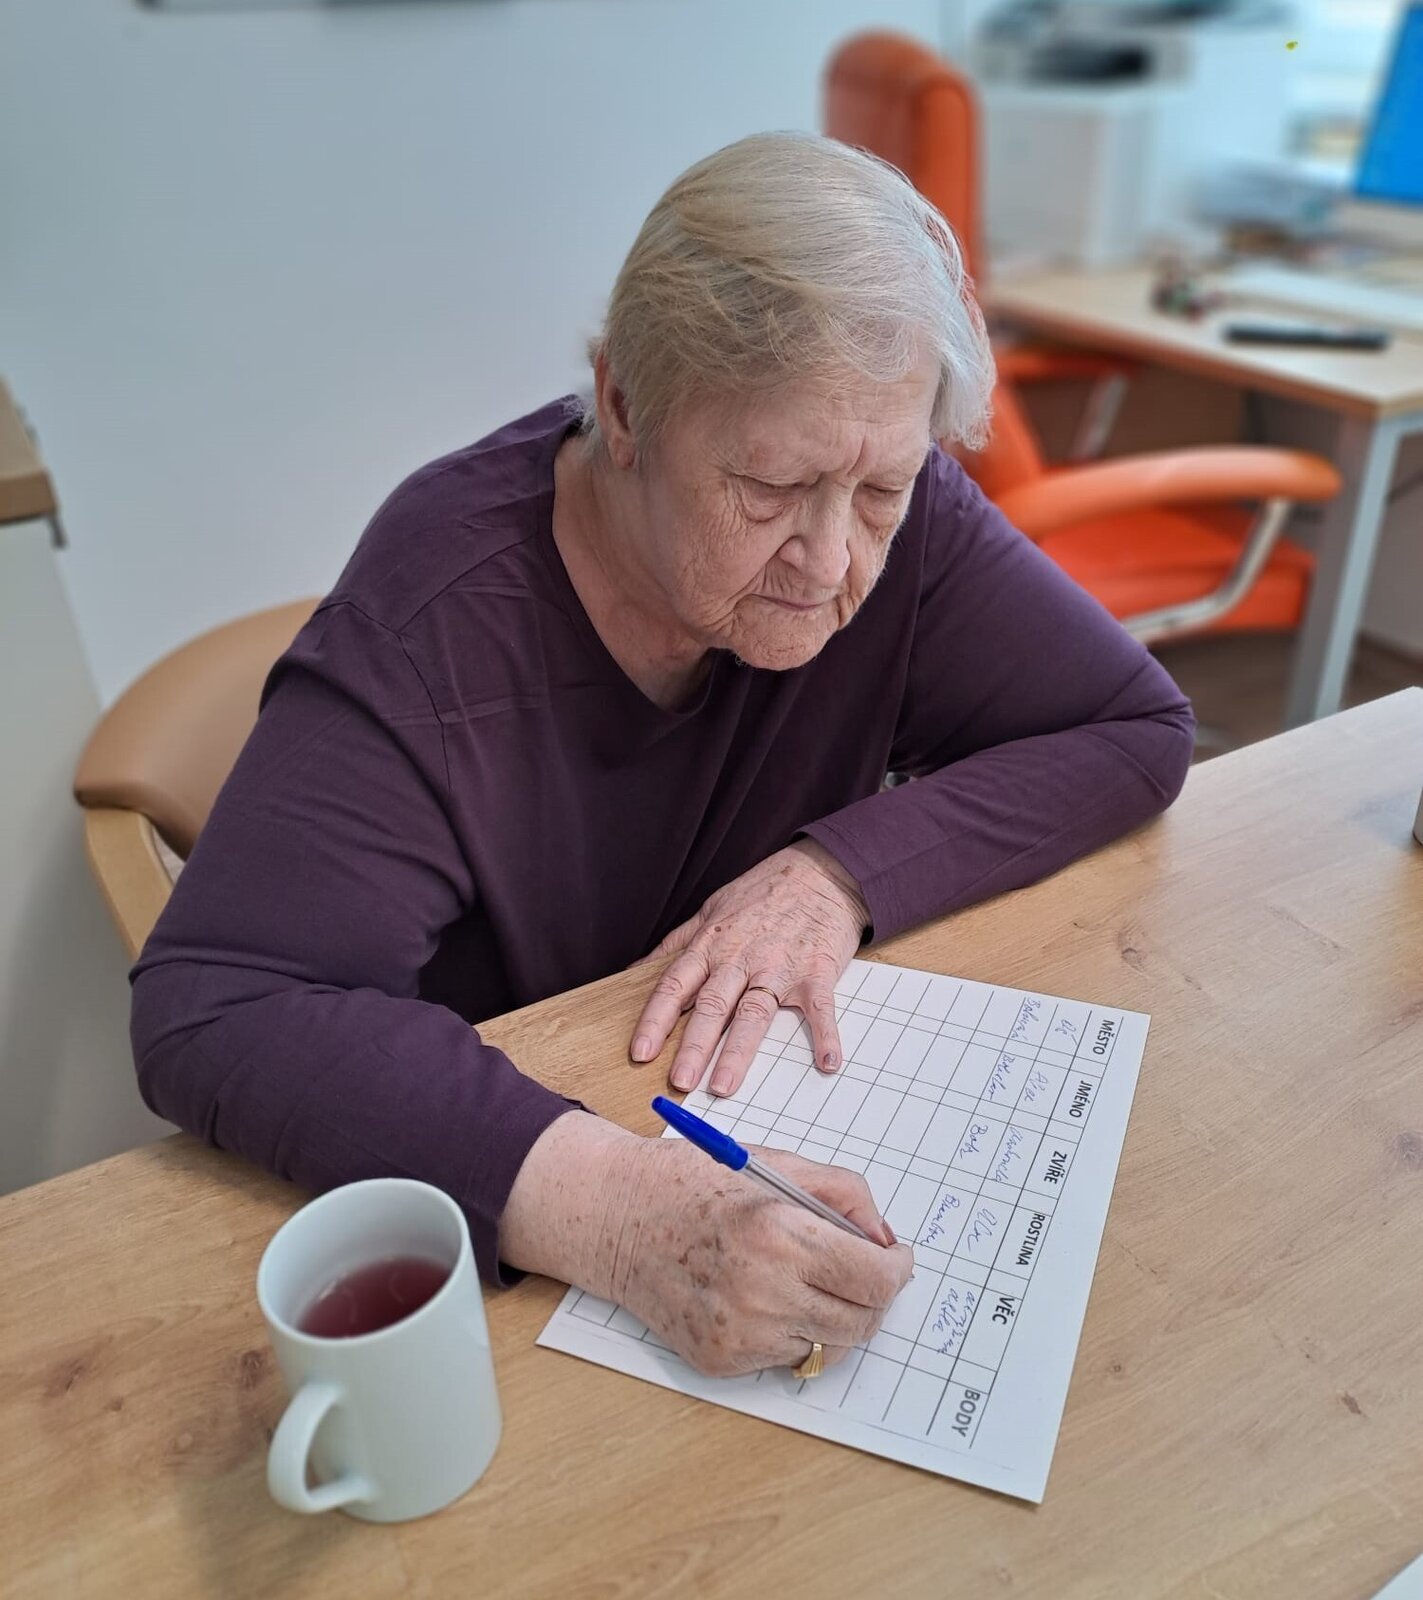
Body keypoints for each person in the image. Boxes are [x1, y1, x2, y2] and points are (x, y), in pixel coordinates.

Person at [131, 132, 1194, 1379]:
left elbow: (1132, 728)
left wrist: (837, 872)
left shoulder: (881, 497)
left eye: (881, 494)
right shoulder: (436, 624)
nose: (830, 562)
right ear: (626, 407)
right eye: (767, 485)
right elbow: (220, 1002)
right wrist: (624, 1214)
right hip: (495, 1205)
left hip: (747, 1101)